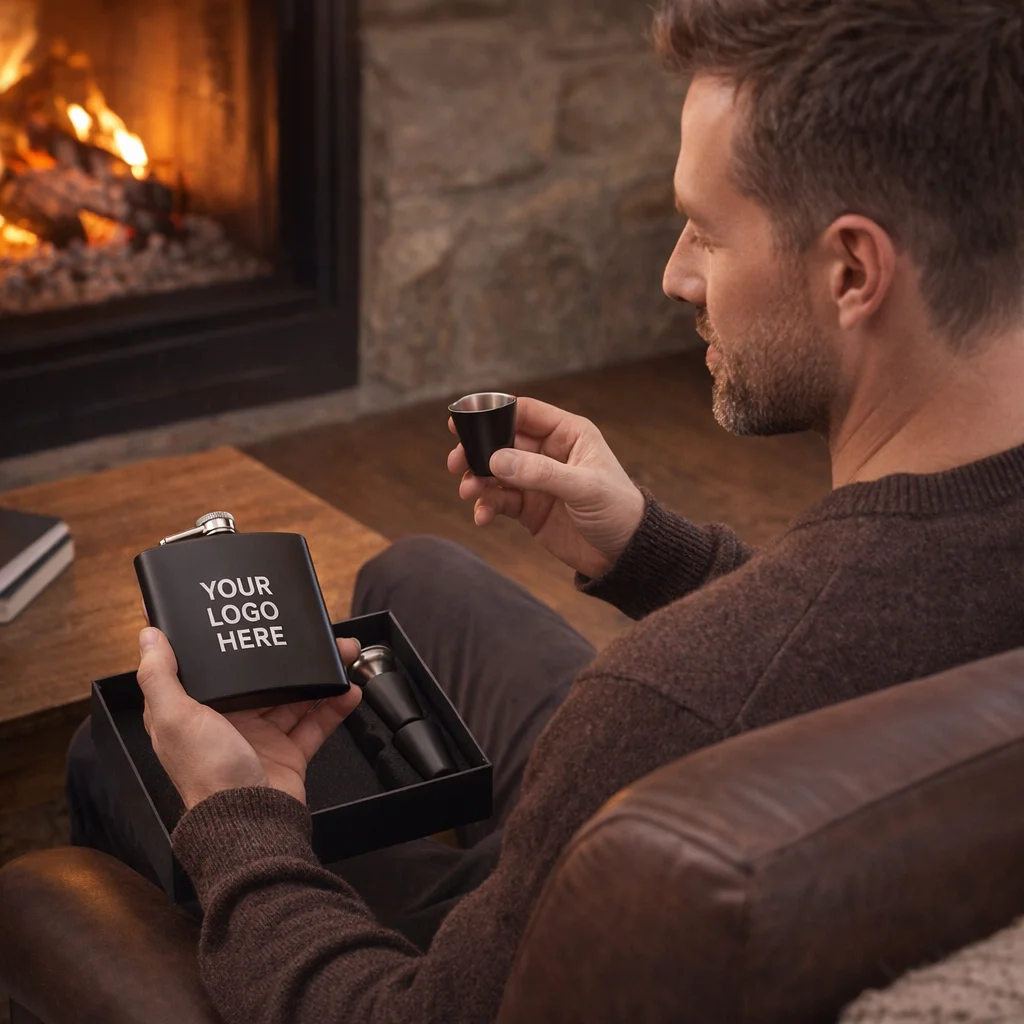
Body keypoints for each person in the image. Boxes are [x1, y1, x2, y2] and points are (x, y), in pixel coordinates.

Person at [66, 0, 1024, 1020]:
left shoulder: (664, 703)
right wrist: (653, 552)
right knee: (417, 571)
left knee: (118, 757)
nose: (676, 277)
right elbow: (873, 645)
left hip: (539, 943)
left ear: (851, 270)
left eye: (705, 231)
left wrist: (242, 820)